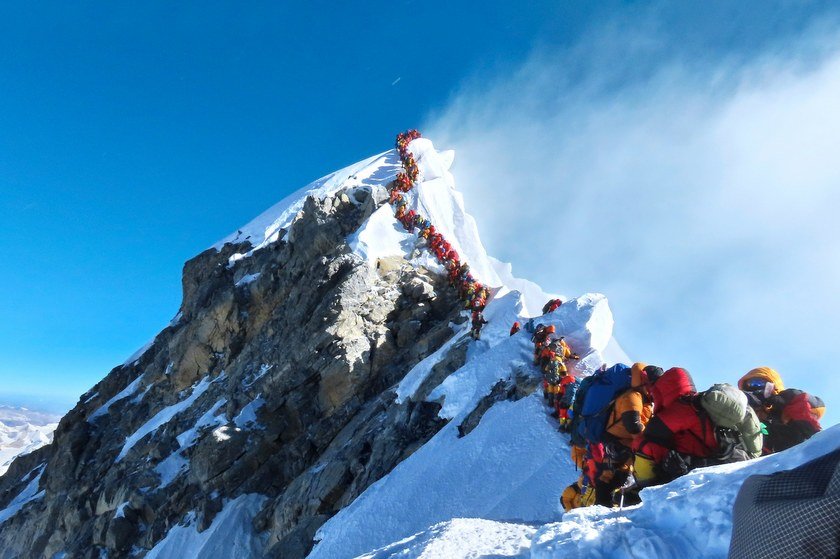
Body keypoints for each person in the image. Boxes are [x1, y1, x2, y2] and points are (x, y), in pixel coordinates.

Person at [632, 367, 719, 487]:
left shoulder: (682, 407)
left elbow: (652, 431)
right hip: (699, 457)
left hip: (694, 462)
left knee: (643, 444)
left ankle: (643, 490)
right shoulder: (692, 402)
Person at [762, 389, 825, 453]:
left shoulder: (790, 398)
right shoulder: (773, 421)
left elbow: (804, 405)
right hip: (788, 452)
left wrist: (786, 400)